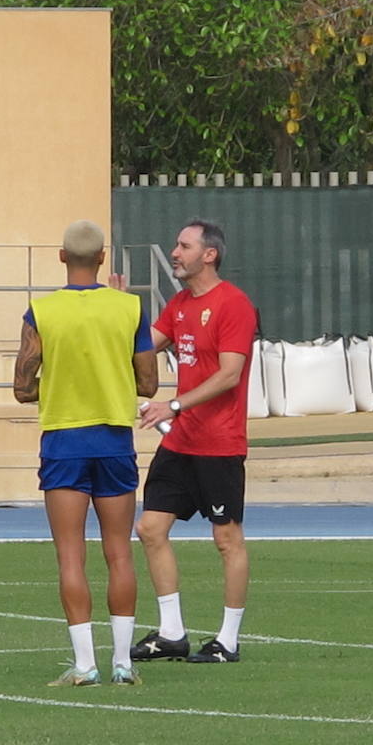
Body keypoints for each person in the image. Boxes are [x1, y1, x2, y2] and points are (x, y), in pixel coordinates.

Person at [13, 220, 159, 687]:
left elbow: (22, 387)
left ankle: (84, 665)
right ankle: (122, 663)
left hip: (64, 443)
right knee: (120, 553)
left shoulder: (41, 311)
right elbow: (149, 383)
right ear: (102, 257)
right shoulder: (129, 308)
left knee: (71, 557)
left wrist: (60, 383)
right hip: (114, 441)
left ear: (61, 257)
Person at [133, 219, 257, 664]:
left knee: (227, 539)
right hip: (181, 443)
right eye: (176, 245)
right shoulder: (181, 304)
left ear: (210, 254)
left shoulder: (233, 305)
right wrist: (111, 311)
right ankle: (171, 633)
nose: (175, 252)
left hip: (219, 444)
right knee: (149, 528)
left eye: (183, 246)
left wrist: (174, 405)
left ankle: (228, 640)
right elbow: (144, 345)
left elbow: (229, 374)